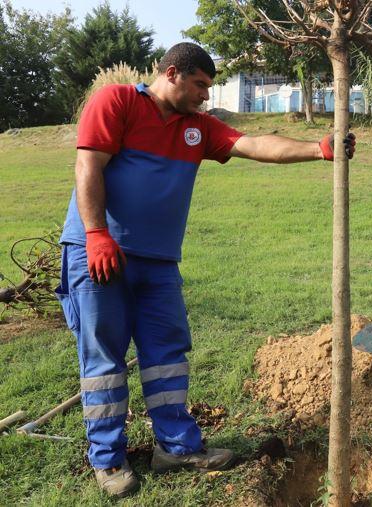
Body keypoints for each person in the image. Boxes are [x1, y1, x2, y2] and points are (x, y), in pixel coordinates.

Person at [55, 42, 356, 497]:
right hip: (99, 252)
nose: (205, 96)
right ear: (172, 73)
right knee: (104, 360)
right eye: (199, 85)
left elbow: (253, 144)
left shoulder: (197, 127)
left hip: (158, 262)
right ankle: (109, 460)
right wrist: (96, 233)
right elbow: (87, 164)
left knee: (166, 355)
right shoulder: (116, 101)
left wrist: (319, 148)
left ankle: (175, 447)